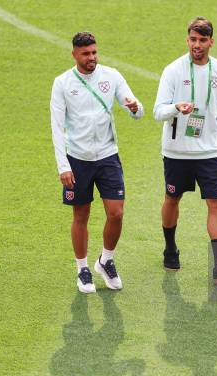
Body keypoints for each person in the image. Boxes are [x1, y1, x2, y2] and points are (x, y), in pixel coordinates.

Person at [153, 17, 217, 284]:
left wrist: (208, 127)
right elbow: (159, 110)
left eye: (202, 40)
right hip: (177, 152)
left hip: (210, 151)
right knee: (172, 199)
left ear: (211, 42)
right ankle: (170, 249)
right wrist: (176, 108)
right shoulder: (172, 71)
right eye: (193, 39)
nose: (197, 45)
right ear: (187, 40)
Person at [51, 32, 143, 293]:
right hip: (77, 159)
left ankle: (106, 260)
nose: (91, 58)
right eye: (85, 54)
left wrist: (135, 108)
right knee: (81, 214)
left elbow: (134, 107)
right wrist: (63, 166)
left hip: (107, 156)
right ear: (74, 55)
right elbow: (57, 128)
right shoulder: (62, 83)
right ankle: (82, 269)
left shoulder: (111, 76)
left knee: (117, 212)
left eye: (94, 53)